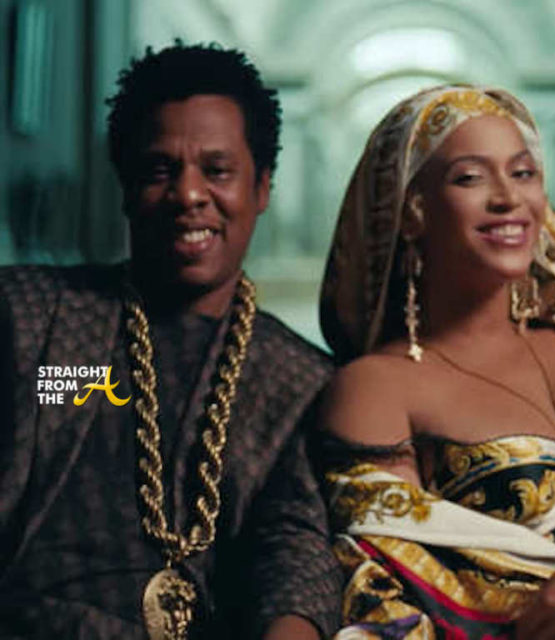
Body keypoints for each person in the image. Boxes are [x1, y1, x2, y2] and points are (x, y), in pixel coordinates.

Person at [0, 43, 342, 640]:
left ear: (261, 187)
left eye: (217, 170)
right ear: (126, 187)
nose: (188, 194)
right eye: (160, 170)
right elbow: (60, 396)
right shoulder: (34, 317)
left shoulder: (299, 380)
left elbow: (295, 552)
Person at [318, 85, 555, 639]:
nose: (508, 198)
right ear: (411, 212)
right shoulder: (376, 388)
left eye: (523, 173)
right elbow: (392, 595)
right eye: (470, 177)